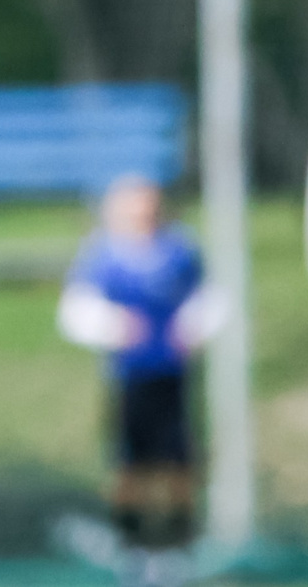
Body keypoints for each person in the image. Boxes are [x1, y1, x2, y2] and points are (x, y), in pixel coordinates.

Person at [59, 175, 219, 552]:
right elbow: (76, 310)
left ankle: (183, 533)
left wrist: (194, 329)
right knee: (129, 455)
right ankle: (128, 534)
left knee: (179, 453)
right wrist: (114, 326)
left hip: (174, 371)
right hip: (130, 374)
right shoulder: (105, 257)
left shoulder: (179, 252)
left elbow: (207, 297)